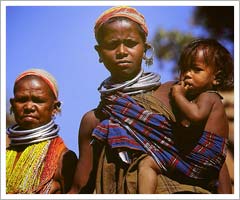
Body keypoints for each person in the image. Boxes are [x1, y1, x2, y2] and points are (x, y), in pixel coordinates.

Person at [68, 6, 232, 194]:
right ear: (99, 52)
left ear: (145, 49)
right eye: (112, 45)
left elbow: (212, 154)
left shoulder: (175, 93)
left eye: (130, 43)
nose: (122, 51)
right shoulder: (93, 120)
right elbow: (80, 187)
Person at [137, 38, 233, 193]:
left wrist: (178, 95)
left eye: (196, 70)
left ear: (216, 78)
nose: (188, 75)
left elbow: (195, 115)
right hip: (203, 165)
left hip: (203, 158)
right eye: (184, 69)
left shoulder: (210, 97)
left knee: (147, 163)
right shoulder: (198, 99)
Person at [6, 69, 77, 194]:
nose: (29, 107)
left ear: (55, 107)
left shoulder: (63, 159)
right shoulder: (5, 149)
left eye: (38, 100)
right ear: (12, 104)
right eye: (22, 100)